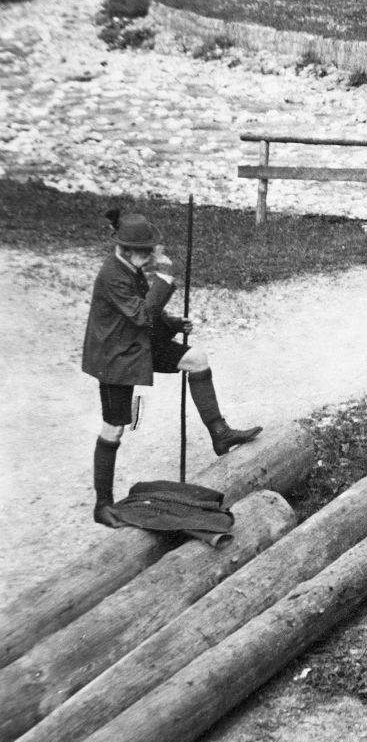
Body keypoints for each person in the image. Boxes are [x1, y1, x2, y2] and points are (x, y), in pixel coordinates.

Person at [82, 214, 262, 527]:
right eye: (146, 251)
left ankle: (220, 433)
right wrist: (165, 281)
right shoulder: (112, 275)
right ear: (127, 250)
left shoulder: (129, 266)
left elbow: (147, 314)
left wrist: (173, 324)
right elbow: (140, 314)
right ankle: (102, 504)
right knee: (115, 427)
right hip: (115, 358)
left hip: (137, 345)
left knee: (197, 359)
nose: (151, 256)